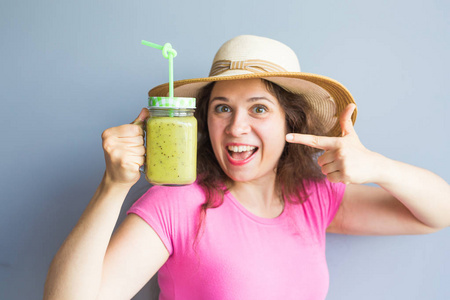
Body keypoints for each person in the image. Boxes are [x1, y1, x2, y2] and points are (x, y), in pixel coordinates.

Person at [44, 35, 450, 300]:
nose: (237, 127)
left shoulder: (313, 198)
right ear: (205, 120)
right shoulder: (177, 203)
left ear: (290, 121)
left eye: (259, 108)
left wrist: (379, 167)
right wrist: (112, 187)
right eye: (223, 108)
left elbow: (437, 214)